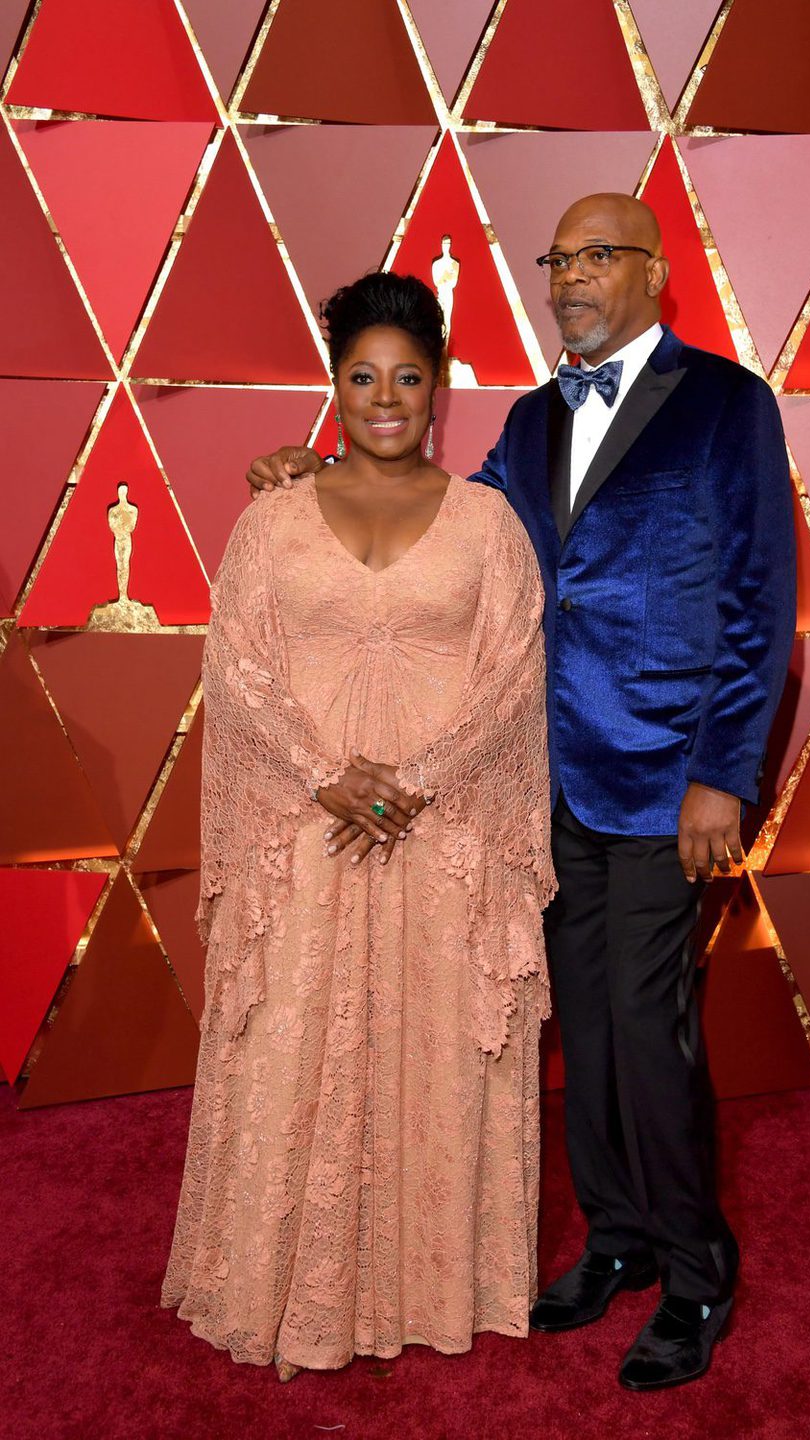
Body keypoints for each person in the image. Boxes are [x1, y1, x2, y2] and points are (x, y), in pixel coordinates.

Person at [247, 193, 796, 1391]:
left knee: (651, 1032)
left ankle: (699, 1274)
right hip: (544, 778)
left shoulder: (727, 406)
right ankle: (617, 1242)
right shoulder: (534, 419)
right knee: (582, 1027)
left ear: (656, 273)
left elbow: (761, 602)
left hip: (666, 780)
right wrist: (313, 463)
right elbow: (458, 522)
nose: (571, 279)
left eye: (599, 257)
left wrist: (722, 773)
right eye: (559, 260)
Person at [162, 272, 555, 1380]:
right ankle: (282, 1283)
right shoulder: (272, 517)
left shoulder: (489, 524)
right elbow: (234, 671)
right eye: (362, 376)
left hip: (440, 839)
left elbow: (515, 675)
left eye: (408, 378)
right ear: (333, 384)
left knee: (436, 1042)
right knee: (292, 1040)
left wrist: (414, 781)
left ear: (439, 390)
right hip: (306, 832)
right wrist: (329, 776)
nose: (385, 398)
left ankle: (437, 1285)